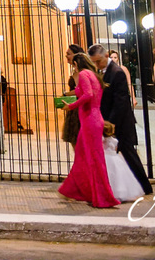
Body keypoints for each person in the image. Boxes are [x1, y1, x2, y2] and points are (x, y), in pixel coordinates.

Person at [89, 43, 152, 195]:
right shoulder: (104, 72)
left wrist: (111, 122)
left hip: (121, 122)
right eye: (94, 62)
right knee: (124, 154)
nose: (97, 65)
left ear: (106, 55)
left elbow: (121, 101)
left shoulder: (116, 72)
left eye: (98, 61)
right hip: (111, 120)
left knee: (129, 153)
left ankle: (145, 186)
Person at [57, 52, 119, 208]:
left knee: (93, 159)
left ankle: (102, 196)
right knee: (82, 156)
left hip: (90, 120)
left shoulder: (84, 74)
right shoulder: (93, 75)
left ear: (76, 64)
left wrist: (71, 106)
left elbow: (88, 95)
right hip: (93, 118)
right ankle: (79, 190)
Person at [102, 121, 144, 201]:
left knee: (109, 175)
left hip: (106, 158)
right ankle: (120, 192)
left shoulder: (103, 140)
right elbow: (116, 149)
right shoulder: (115, 140)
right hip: (115, 158)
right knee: (119, 176)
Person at [60, 43, 85, 146]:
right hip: (73, 107)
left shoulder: (81, 72)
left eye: (69, 54)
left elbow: (80, 89)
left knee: (78, 141)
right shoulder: (76, 71)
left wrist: (66, 94)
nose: (66, 56)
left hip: (78, 108)